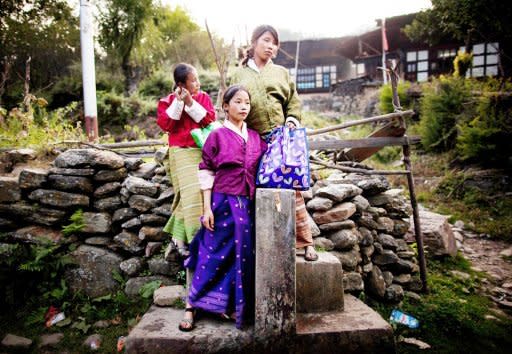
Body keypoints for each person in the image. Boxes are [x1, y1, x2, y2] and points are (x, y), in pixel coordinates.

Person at [178, 85, 267, 331]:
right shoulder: (217, 136)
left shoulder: (256, 138)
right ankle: (191, 305)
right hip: (222, 203)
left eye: (247, 102)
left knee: (240, 257)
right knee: (212, 254)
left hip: (247, 206)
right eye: (238, 102)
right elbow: (207, 171)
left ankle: (229, 306)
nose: (244, 106)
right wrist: (207, 209)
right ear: (225, 107)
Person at [231, 24, 318, 262]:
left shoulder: (281, 72)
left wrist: (291, 120)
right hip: (252, 140)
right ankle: (259, 244)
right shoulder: (239, 75)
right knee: (254, 190)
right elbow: (231, 104)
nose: (271, 46)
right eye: (266, 40)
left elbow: (294, 102)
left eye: (274, 43)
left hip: (281, 139)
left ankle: (305, 242)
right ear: (254, 41)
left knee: (292, 191)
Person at [156, 63, 216, 257]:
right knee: (190, 194)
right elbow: (167, 125)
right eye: (193, 80)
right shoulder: (167, 102)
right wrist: (180, 102)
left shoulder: (204, 98)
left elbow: (209, 120)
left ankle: (178, 238)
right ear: (181, 84)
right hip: (181, 152)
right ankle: (195, 241)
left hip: (201, 151)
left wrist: (191, 103)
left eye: (198, 79)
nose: (198, 83)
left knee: (196, 194)